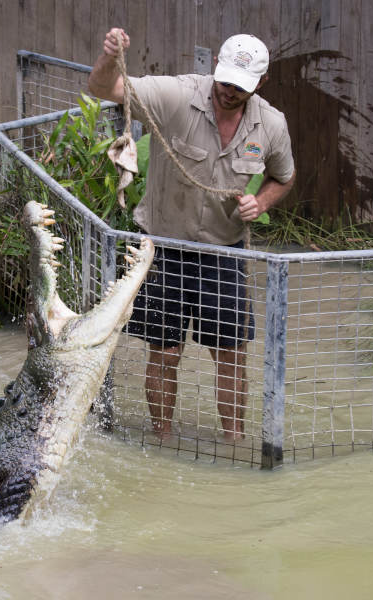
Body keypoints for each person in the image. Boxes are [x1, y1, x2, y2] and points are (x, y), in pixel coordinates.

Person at [88, 29, 296, 442]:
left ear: (260, 85)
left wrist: (263, 203)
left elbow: (284, 177)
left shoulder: (271, 125)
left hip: (224, 251)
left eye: (240, 87)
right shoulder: (176, 95)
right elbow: (104, 88)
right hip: (164, 246)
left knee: (232, 355)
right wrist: (111, 56)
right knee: (164, 352)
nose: (229, 92)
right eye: (224, 82)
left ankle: (233, 441)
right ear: (215, 70)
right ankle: (162, 437)